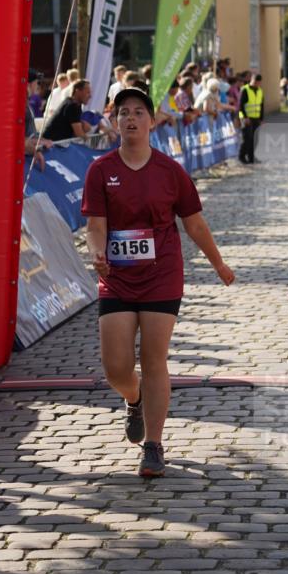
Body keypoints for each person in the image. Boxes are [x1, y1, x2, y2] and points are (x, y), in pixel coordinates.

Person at [82, 87, 236, 478]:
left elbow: (194, 223)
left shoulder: (170, 171)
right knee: (116, 367)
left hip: (162, 275)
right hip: (116, 278)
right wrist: (97, 253)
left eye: (139, 112)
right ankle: (132, 397)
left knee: (154, 359)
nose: (130, 118)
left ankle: (153, 444)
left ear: (152, 121)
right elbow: (95, 226)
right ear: (115, 122)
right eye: (123, 112)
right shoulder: (100, 170)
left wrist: (218, 264)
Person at [238, 73, 264, 164]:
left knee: (255, 139)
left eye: (258, 83)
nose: (257, 84)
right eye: (255, 82)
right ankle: (242, 156)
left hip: (256, 118)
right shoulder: (245, 89)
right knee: (247, 138)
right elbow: (241, 105)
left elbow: (261, 105)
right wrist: (245, 117)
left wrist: (261, 119)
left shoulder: (260, 91)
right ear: (252, 80)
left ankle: (251, 157)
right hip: (246, 118)